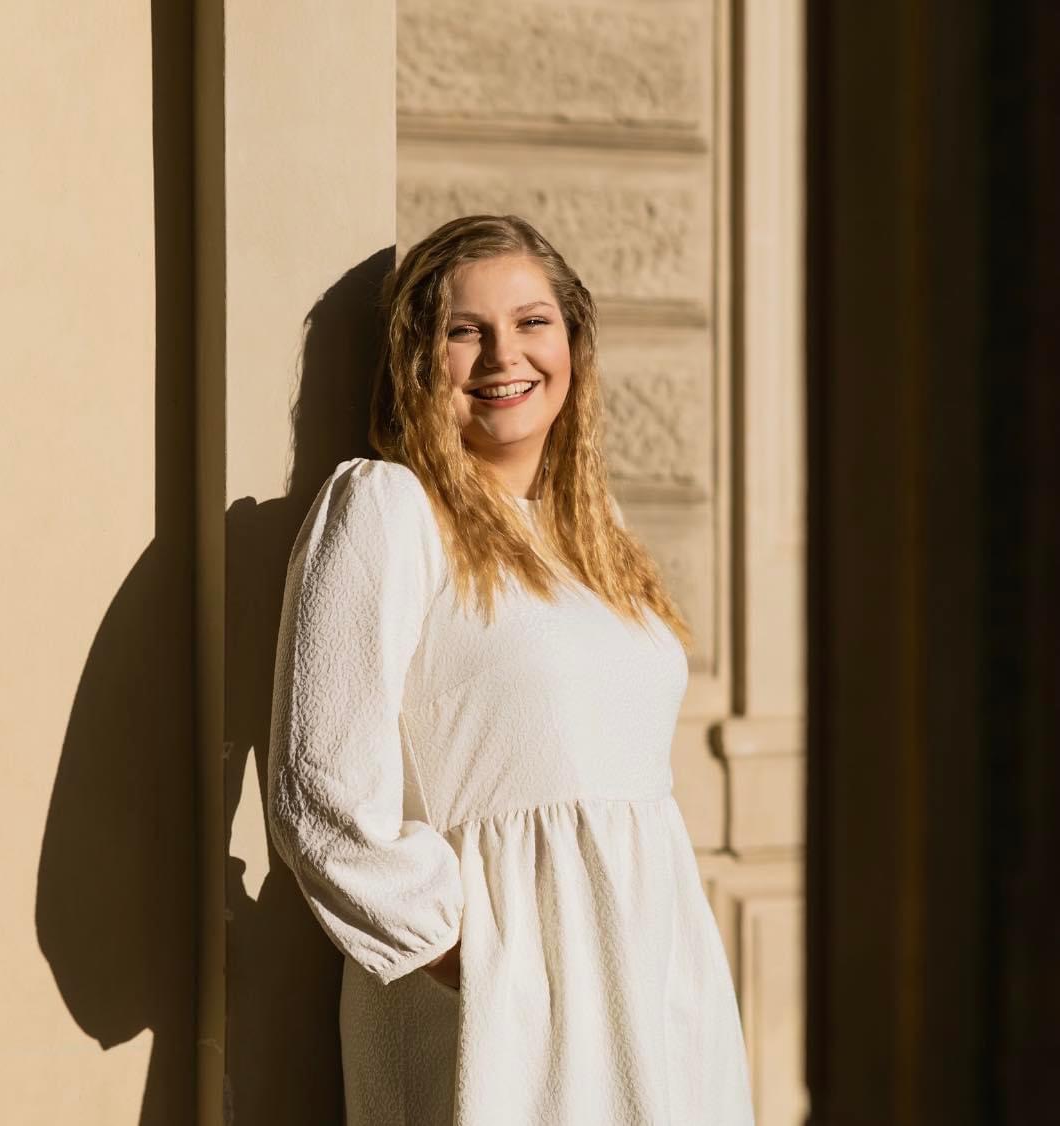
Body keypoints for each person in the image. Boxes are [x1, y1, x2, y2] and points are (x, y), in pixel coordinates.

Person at [267, 214, 755, 1124]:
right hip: (504, 1002)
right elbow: (319, 793)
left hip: (656, 982)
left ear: (572, 342)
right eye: (465, 330)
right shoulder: (389, 509)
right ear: (419, 360)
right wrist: (480, 963)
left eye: (532, 321)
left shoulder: (593, 533)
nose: (504, 355)